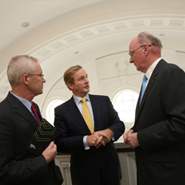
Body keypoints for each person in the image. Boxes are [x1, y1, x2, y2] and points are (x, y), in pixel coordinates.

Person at [124, 32, 185, 185]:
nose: (130, 60)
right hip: (152, 168)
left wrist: (140, 138)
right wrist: (133, 131)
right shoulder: (149, 79)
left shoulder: (170, 72)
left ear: (145, 49)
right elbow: (155, 117)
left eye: (132, 53)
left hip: (166, 172)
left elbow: (180, 123)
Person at [54, 65, 125, 185]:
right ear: (70, 85)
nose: (87, 81)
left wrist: (109, 132)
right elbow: (60, 142)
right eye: (81, 79)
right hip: (84, 173)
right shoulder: (61, 111)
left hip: (110, 169)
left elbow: (119, 125)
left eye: (86, 77)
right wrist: (86, 140)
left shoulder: (103, 101)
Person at [0, 55, 63, 185]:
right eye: (40, 75)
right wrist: (43, 159)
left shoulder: (34, 107)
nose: (44, 80)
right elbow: (4, 171)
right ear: (26, 79)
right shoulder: (3, 114)